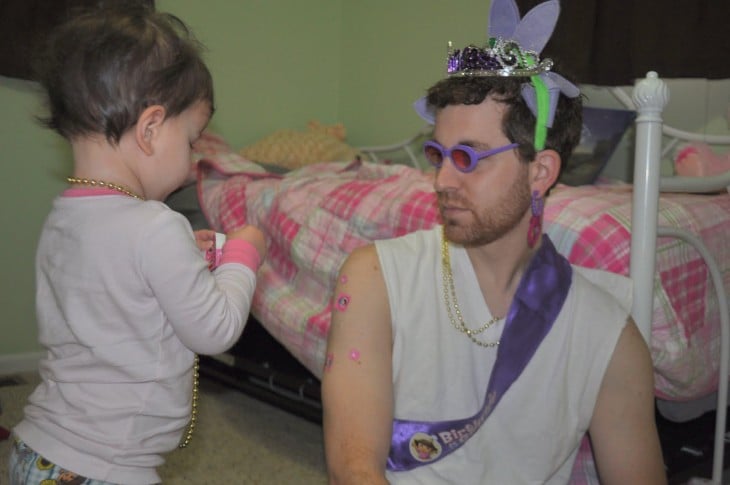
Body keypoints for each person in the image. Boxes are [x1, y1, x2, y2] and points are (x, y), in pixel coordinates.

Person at [321, 0, 667, 483]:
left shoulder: (609, 338)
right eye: (438, 153)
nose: (441, 179)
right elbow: (353, 468)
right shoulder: (374, 279)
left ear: (540, 172)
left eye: (469, 158)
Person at [9, 5, 266, 485]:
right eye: (192, 141)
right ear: (150, 130)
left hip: (39, 450)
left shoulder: (65, 218)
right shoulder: (154, 225)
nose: (193, 164)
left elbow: (116, 283)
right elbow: (215, 331)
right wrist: (242, 257)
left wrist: (185, 253)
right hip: (105, 469)